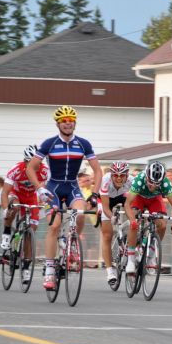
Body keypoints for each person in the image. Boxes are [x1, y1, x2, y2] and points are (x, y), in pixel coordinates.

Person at [27, 106, 102, 291]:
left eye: (71, 120)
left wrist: (95, 193)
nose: (68, 123)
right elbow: (31, 168)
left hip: (72, 186)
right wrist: (39, 189)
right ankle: (50, 270)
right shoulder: (49, 143)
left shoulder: (83, 143)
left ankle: (72, 243)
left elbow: (98, 170)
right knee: (54, 224)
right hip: (53, 186)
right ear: (58, 123)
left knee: (81, 212)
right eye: (64, 120)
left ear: (74, 123)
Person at [1, 146, 49, 284]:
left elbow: (48, 189)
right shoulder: (15, 170)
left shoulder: (45, 171)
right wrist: (6, 212)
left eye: (37, 162)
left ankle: (26, 267)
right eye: (31, 162)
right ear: (25, 161)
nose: (34, 166)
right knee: (13, 207)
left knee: (30, 232)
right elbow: (4, 193)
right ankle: (6, 233)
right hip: (15, 194)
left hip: (31, 197)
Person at [124, 161, 172, 275]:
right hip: (138, 198)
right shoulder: (139, 180)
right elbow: (127, 205)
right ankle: (130, 259)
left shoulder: (165, 183)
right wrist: (132, 221)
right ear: (146, 176)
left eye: (157, 184)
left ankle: (151, 255)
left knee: (162, 225)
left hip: (155, 200)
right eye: (151, 182)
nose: (153, 186)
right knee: (134, 223)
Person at [98, 161, 134, 285]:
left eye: (122, 175)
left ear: (127, 175)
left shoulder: (132, 181)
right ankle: (110, 271)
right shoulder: (105, 181)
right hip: (107, 199)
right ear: (111, 175)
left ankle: (131, 244)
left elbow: (137, 202)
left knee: (135, 217)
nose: (119, 178)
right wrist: (111, 217)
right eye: (116, 175)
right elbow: (106, 207)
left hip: (124, 197)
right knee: (107, 235)